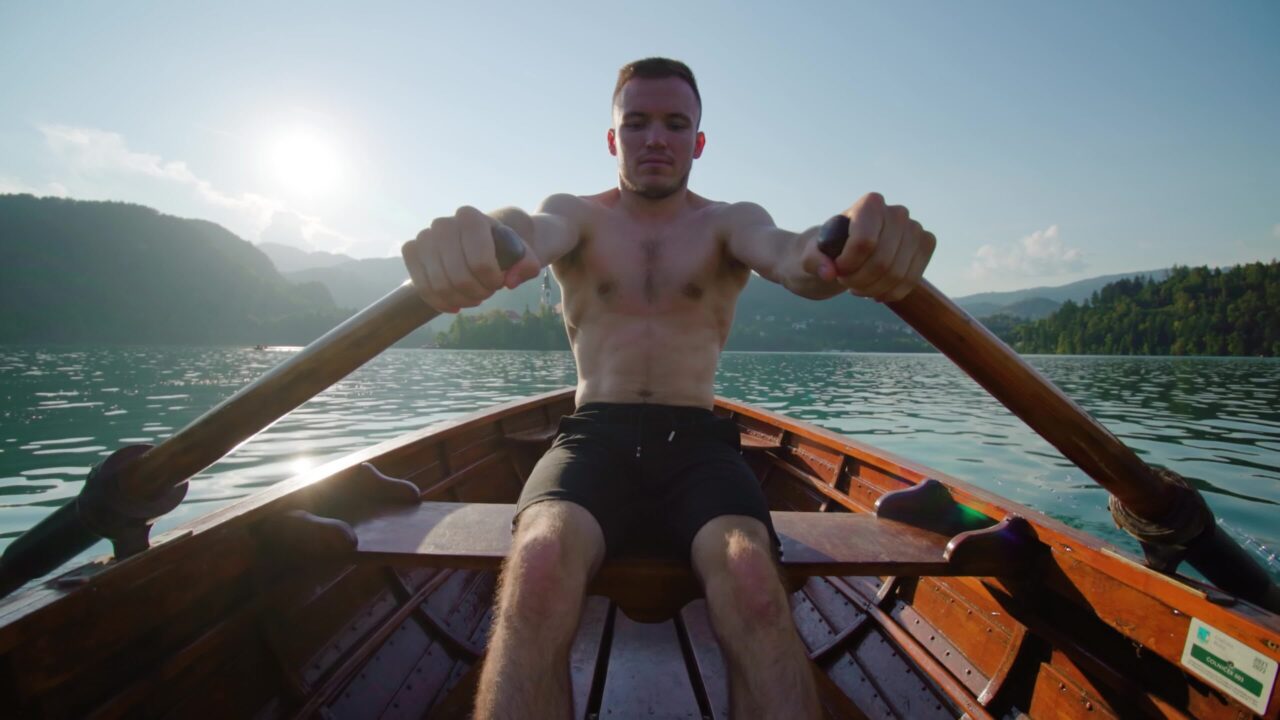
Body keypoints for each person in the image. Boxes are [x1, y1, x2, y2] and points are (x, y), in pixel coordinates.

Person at [402, 57, 935, 720]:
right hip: (592, 441)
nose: (656, 137)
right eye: (637, 122)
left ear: (698, 142)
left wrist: (851, 237)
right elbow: (524, 234)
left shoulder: (729, 222)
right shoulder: (578, 216)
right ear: (612, 139)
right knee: (536, 569)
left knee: (754, 585)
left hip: (699, 449)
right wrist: (483, 231)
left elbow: (798, 259)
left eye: (675, 124)